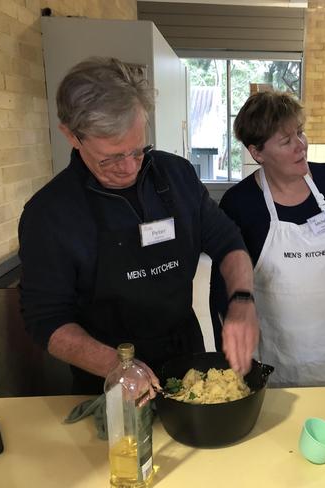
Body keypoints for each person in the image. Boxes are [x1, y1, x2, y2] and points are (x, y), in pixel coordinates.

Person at [18, 57, 259, 395]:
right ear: (71, 135)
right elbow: (46, 321)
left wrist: (242, 302)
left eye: (137, 150)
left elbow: (228, 242)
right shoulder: (50, 213)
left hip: (187, 357)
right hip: (106, 379)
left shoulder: (176, 176)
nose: (129, 167)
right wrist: (117, 367)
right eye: (111, 157)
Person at [210, 91, 325, 387]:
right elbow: (222, 285)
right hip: (277, 356)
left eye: (300, 133)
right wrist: (230, 349)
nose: (301, 146)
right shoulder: (240, 202)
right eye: (286, 141)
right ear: (257, 152)